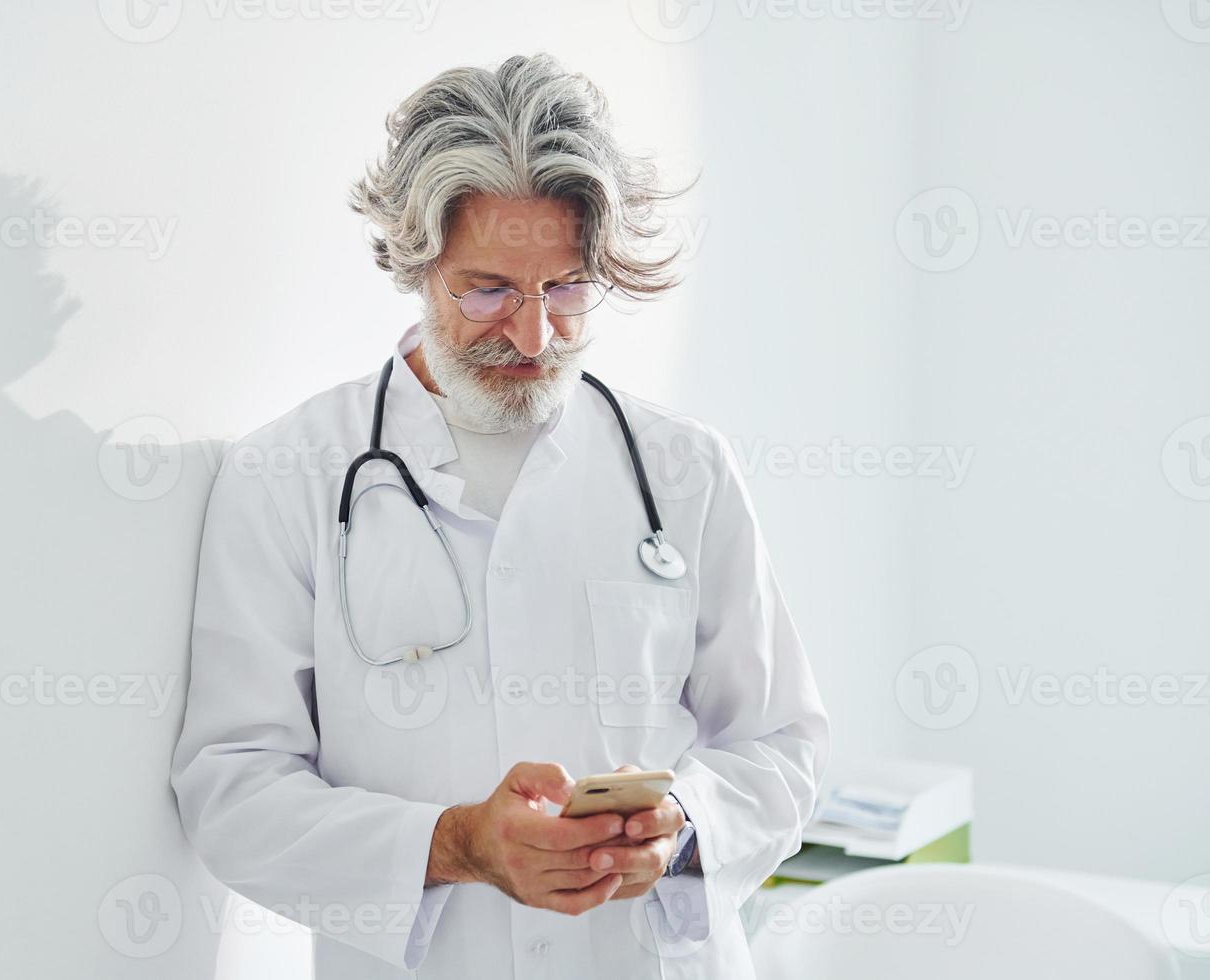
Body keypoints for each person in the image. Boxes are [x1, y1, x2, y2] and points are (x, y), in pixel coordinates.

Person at [171, 52, 829, 980]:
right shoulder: (288, 476)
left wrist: (684, 829)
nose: (533, 335)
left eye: (565, 289)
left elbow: (782, 746)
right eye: (487, 290)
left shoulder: (685, 470)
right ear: (415, 259)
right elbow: (232, 788)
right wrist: (456, 845)